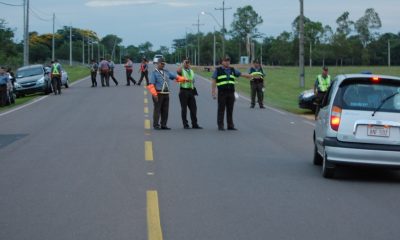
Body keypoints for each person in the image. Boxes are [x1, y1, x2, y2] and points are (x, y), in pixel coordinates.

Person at [211, 56, 252, 131]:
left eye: (228, 61)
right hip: (222, 93)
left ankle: (230, 125)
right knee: (221, 109)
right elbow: (213, 81)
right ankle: (220, 125)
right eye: (225, 60)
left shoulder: (232, 70)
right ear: (222, 62)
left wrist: (248, 76)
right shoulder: (218, 70)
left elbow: (240, 74)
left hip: (231, 92)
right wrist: (213, 92)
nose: (227, 62)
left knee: (230, 109)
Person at [147, 58, 186, 130]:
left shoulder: (166, 72)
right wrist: (154, 94)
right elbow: (151, 84)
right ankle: (156, 125)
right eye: (161, 63)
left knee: (165, 110)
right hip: (158, 93)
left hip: (166, 93)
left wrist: (184, 79)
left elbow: (175, 77)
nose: (163, 65)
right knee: (157, 110)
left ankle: (163, 125)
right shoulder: (154, 73)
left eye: (164, 64)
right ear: (157, 63)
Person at [176, 59, 202, 129]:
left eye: (188, 63)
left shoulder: (191, 71)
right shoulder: (182, 70)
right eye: (186, 63)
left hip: (191, 91)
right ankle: (185, 124)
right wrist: (182, 64)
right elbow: (178, 71)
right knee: (184, 109)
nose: (187, 64)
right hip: (183, 91)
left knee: (194, 108)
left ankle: (195, 124)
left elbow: (193, 80)